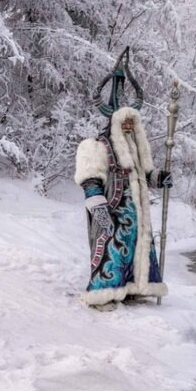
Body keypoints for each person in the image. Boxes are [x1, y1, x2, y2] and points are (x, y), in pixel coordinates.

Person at [73, 82, 172, 306]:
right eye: (124, 122)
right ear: (115, 122)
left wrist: (160, 178)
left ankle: (133, 288)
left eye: (132, 122)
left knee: (137, 250)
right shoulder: (97, 146)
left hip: (137, 214)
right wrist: (100, 210)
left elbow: (144, 175)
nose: (128, 126)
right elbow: (90, 178)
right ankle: (102, 295)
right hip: (112, 209)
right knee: (111, 253)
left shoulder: (134, 149)